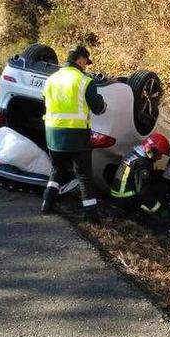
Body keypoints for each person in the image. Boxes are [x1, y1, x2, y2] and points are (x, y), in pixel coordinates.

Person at [41, 44, 107, 220]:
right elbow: (98, 108)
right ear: (81, 60)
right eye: (86, 62)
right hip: (76, 135)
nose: (86, 66)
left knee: (57, 169)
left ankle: (47, 204)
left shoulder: (51, 79)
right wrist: (103, 102)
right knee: (84, 176)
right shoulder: (85, 81)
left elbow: (45, 101)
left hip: (52, 133)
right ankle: (91, 217)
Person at [108, 133, 170, 227]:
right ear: (152, 150)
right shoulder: (143, 164)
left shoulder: (135, 155)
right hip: (124, 200)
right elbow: (143, 192)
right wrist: (160, 210)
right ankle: (141, 215)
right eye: (160, 154)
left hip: (117, 194)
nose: (160, 158)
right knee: (157, 188)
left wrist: (155, 174)